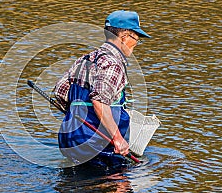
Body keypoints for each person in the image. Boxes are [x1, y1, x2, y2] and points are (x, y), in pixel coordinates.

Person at [54, 10, 151, 169]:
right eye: (136, 38)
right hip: (95, 140)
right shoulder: (113, 64)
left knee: (75, 186)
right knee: (118, 186)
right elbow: (99, 101)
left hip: (69, 138)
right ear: (124, 36)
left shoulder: (85, 59)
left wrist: (77, 114)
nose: (136, 44)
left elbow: (60, 92)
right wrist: (118, 139)